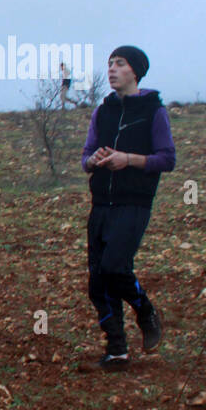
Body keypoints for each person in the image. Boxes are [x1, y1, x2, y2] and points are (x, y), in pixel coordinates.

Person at [79, 46, 174, 372]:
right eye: (109, 63)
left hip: (134, 203)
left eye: (119, 63)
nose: (112, 69)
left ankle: (145, 311)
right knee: (97, 282)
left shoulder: (153, 111)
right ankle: (116, 351)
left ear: (135, 71)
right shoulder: (101, 112)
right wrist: (93, 161)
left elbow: (167, 159)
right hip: (101, 204)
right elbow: (86, 156)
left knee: (115, 268)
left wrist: (128, 159)